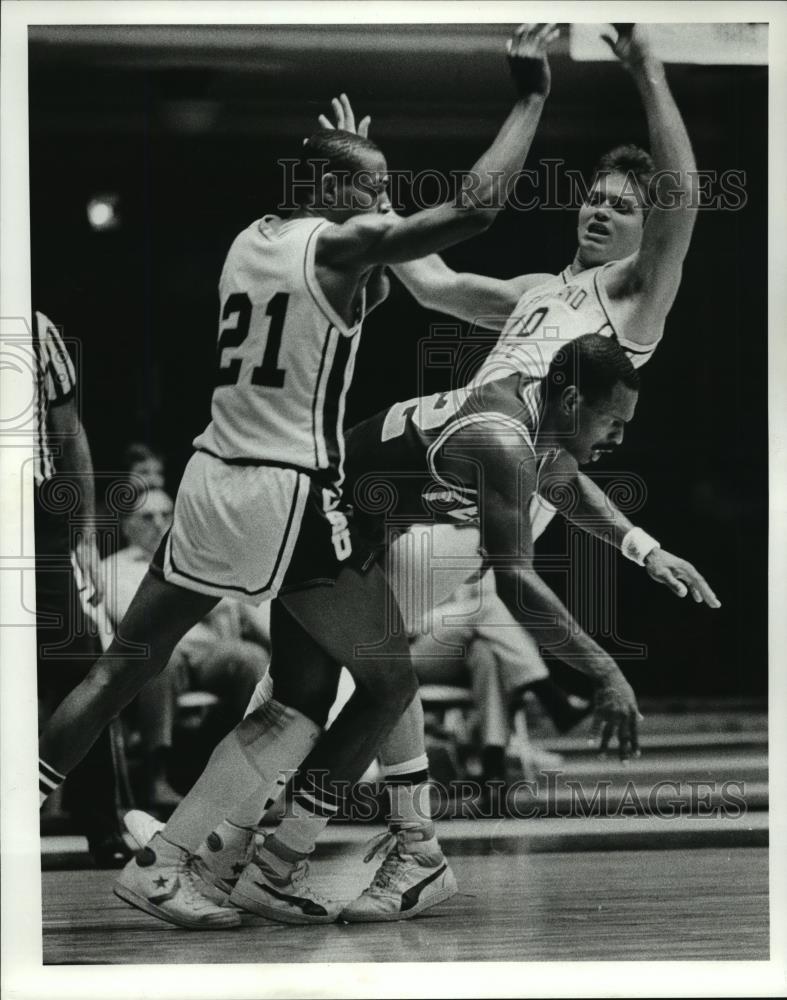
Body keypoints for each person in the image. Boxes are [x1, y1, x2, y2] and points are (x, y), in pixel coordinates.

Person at [37, 23, 561, 929]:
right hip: (288, 493)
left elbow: (437, 283)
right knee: (388, 681)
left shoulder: (253, 239)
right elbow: (472, 210)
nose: (385, 205)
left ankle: (139, 848)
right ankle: (283, 858)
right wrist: (528, 100)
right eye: (376, 190)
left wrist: (352, 161)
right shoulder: (340, 248)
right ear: (333, 192)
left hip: (210, 474)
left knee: (138, 669)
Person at [32, 309, 130, 867]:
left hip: (37, 516)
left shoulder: (35, 326)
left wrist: (86, 535)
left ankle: (103, 828)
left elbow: (70, 434)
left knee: (85, 671)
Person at [102, 485, 268, 808]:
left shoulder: (202, 557)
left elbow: (242, 605)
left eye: (166, 515)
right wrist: (199, 603)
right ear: (126, 526)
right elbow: (133, 620)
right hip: (162, 651)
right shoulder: (116, 567)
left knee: (250, 658)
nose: (159, 523)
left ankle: (252, 781)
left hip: (210, 652)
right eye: (147, 517)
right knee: (157, 657)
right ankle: (156, 778)